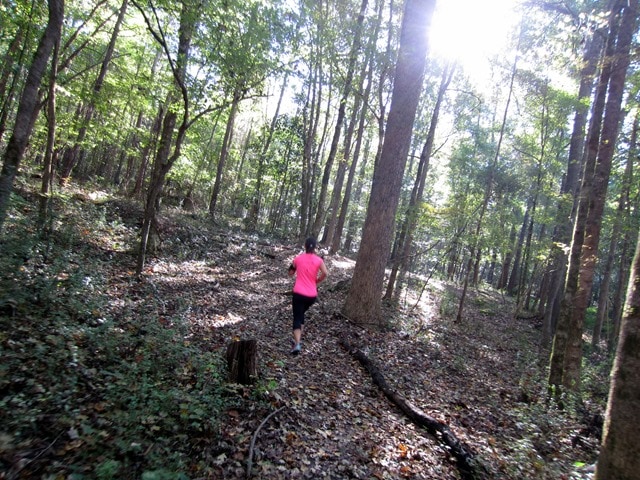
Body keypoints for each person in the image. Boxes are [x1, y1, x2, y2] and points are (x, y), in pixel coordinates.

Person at [287, 237, 328, 355]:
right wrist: (317, 281)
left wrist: (293, 267)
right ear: (315, 247)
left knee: (297, 317)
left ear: (305, 246)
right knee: (301, 314)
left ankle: (297, 344)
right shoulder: (319, 260)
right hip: (311, 296)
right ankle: (298, 340)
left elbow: (290, 273)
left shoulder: (298, 258)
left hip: (299, 294)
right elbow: (325, 273)